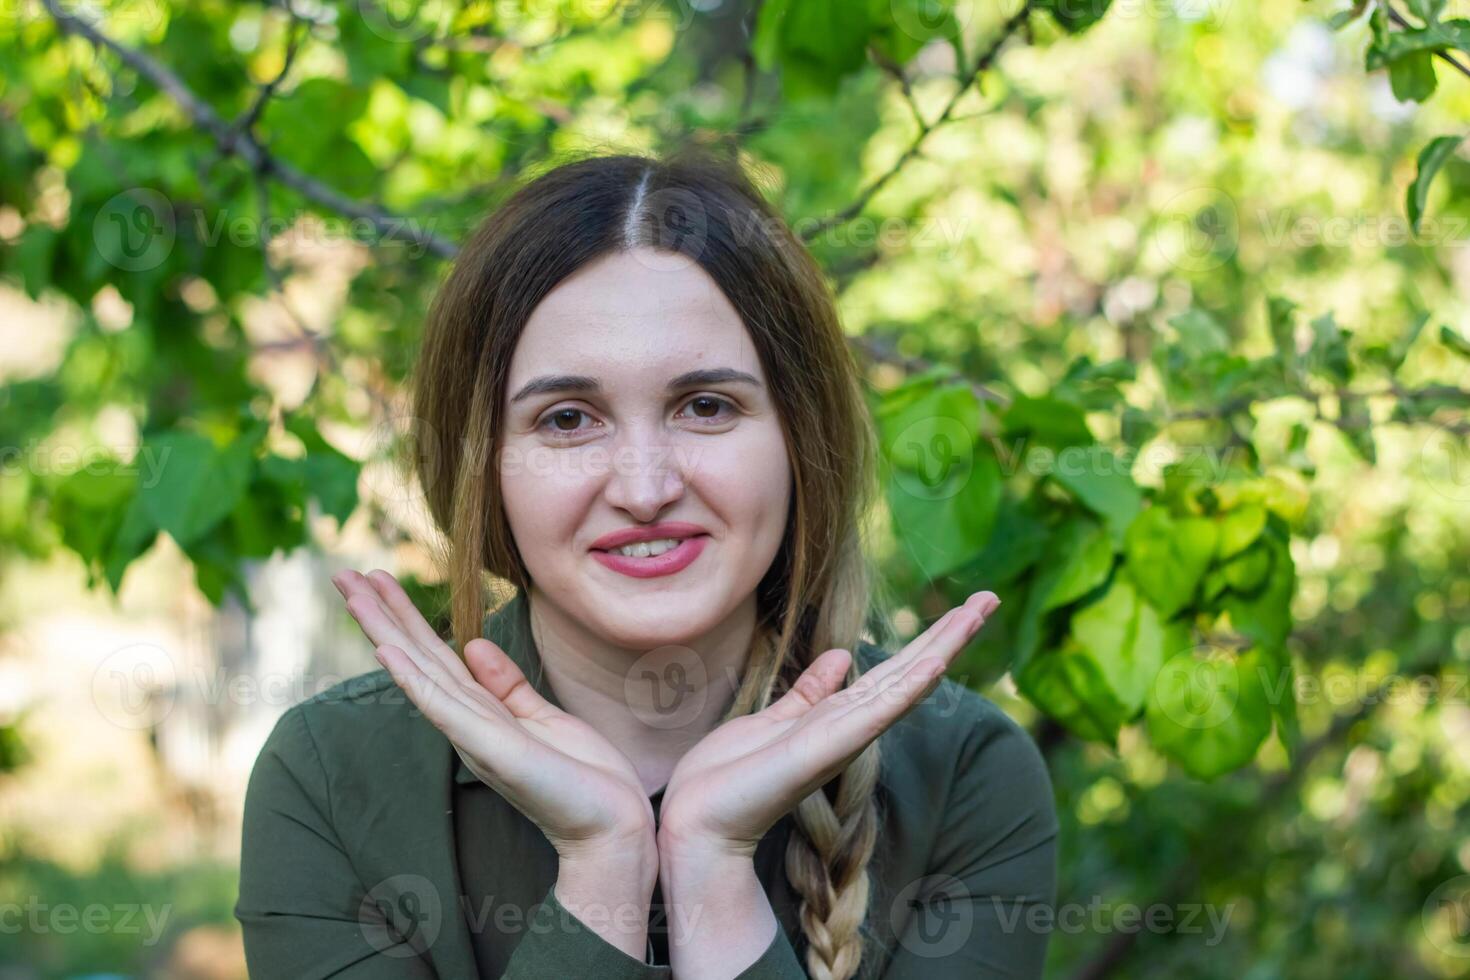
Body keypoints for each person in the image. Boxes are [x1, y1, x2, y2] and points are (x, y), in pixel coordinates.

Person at [234, 148, 1058, 979]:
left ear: (800, 442)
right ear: (481, 464)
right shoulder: (332, 775)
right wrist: (602, 867)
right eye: (566, 419)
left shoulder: (964, 772)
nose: (644, 487)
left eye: (706, 406)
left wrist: (713, 869)